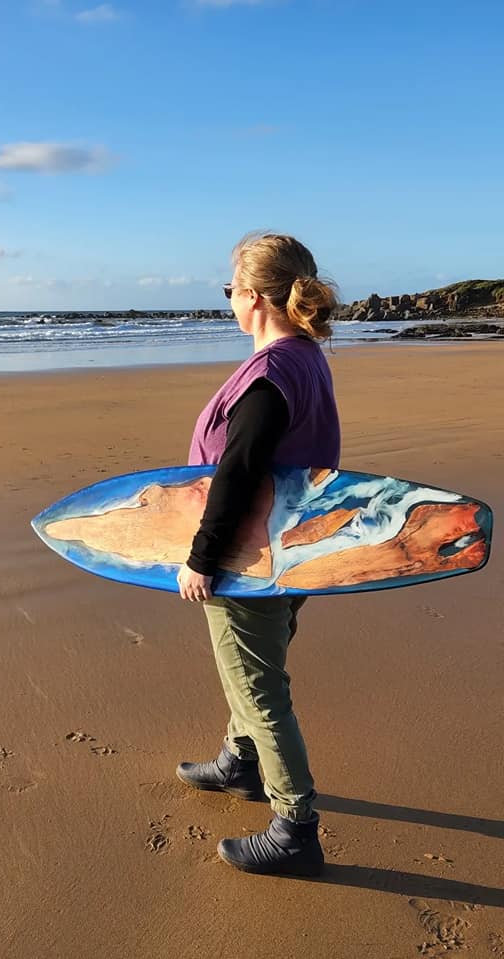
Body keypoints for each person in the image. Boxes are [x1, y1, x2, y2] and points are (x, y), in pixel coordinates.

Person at [176, 232, 340, 877]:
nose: (230, 303)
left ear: (252, 296)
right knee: (254, 665)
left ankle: (295, 828)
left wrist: (203, 557)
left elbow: (239, 472)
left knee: (258, 684)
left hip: (251, 558)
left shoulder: (270, 374)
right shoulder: (305, 356)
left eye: (230, 291)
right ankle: (240, 761)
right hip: (293, 545)